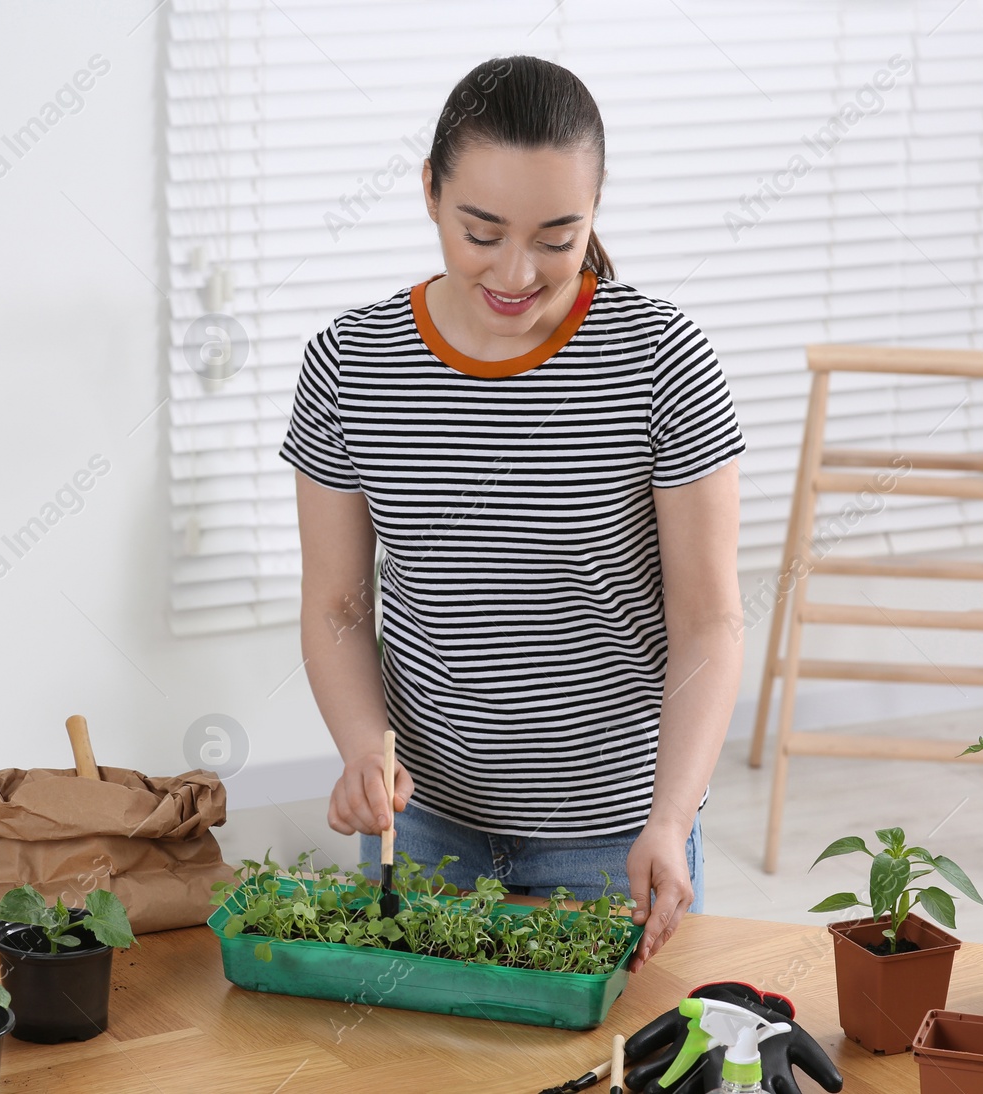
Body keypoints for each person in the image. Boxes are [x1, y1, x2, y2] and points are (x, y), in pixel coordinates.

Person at [278, 54, 745, 974]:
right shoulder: (351, 364)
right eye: (481, 232)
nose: (517, 272)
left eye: (558, 237)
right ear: (428, 192)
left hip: (616, 840)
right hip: (425, 829)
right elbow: (336, 603)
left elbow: (710, 620)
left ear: (596, 213)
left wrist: (673, 816)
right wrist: (362, 748)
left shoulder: (663, 361)